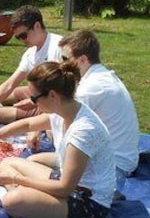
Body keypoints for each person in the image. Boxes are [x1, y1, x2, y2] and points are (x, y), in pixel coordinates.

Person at [0, 61, 115, 218]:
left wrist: (15, 178)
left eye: (34, 98)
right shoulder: (64, 111)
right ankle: (32, 201)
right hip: (67, 184)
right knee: (7, 162)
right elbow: (28, 124)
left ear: (53, 95)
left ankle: (26, 200)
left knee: (13, 201)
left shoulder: (82, 132)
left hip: (88, 202)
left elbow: (64, 189)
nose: (32, 103)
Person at [59, 30, 140, 186]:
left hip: (115, 166)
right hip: (119, 157)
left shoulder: (91, 87)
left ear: (82, 60)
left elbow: (62, 123)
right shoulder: (100, 75)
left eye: (65, 58)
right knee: (35, 161)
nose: (61, 64)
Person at [0, 5, 64, 127]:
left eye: (23, 35)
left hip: (54, 103)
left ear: (37, 26)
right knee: (13, 93)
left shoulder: (59, 47)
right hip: (40, 95)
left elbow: (65, 89)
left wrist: (33, 101)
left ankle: (31, 117)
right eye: (18, 37)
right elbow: (10, 84)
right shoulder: (30, 53)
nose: (21, 40)